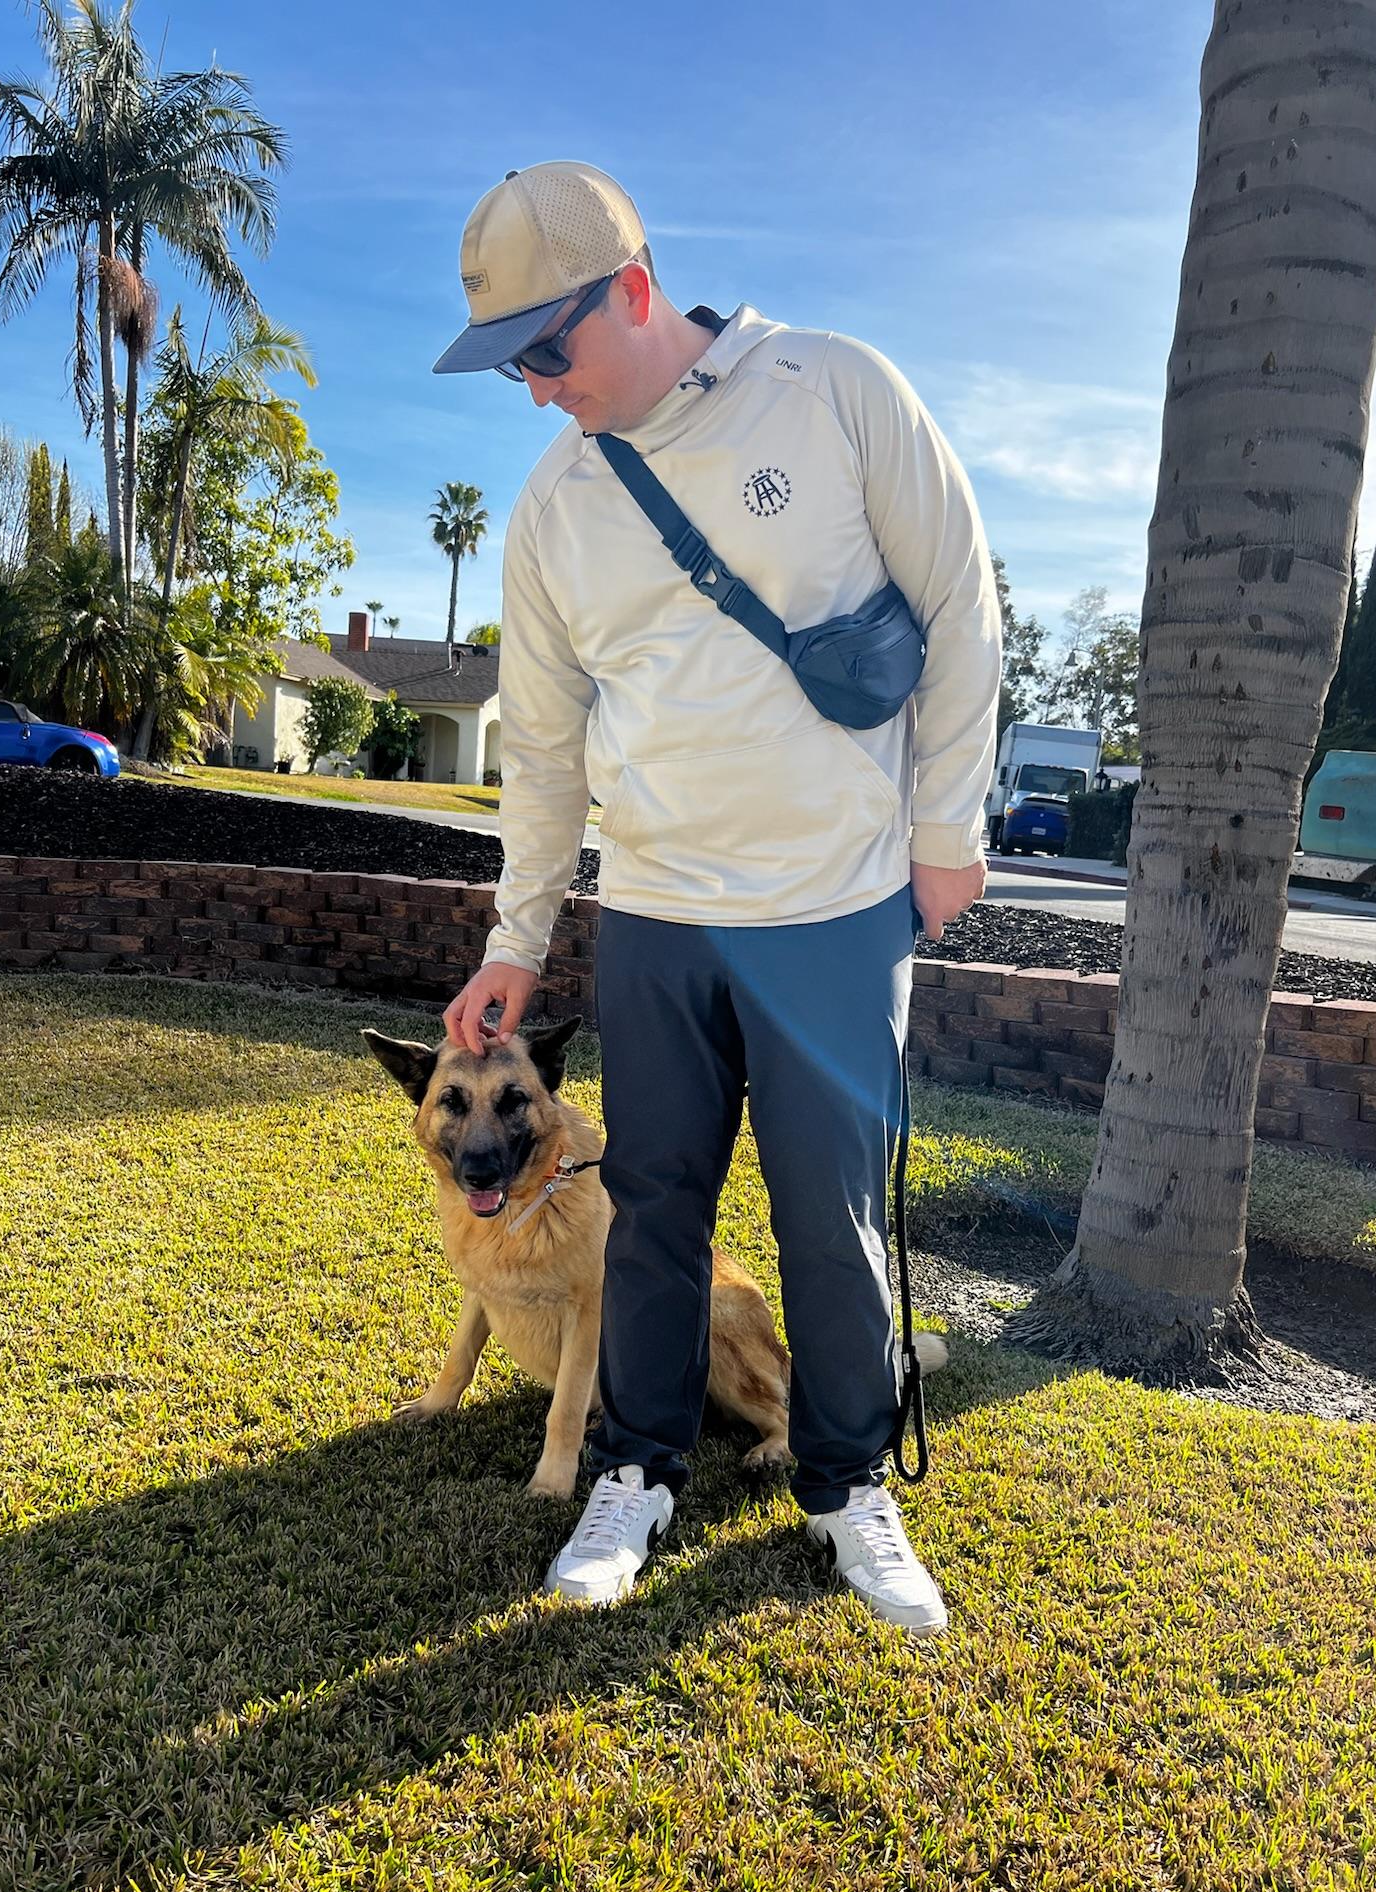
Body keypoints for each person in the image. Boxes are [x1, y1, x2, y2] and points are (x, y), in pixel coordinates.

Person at [432, 161, 1000, 1633]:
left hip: (837, 906)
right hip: (663, 914)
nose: (537, 391)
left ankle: (848, 1483)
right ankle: (634, 1473)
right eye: (510, 366)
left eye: (549, 349)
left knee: (834, 1225)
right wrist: (517, 942)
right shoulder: (554, 508)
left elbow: (961, 601)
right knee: (655, 1209)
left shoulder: (831, 389)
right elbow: (543, 750)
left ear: (633, 289)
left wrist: (947, 827)